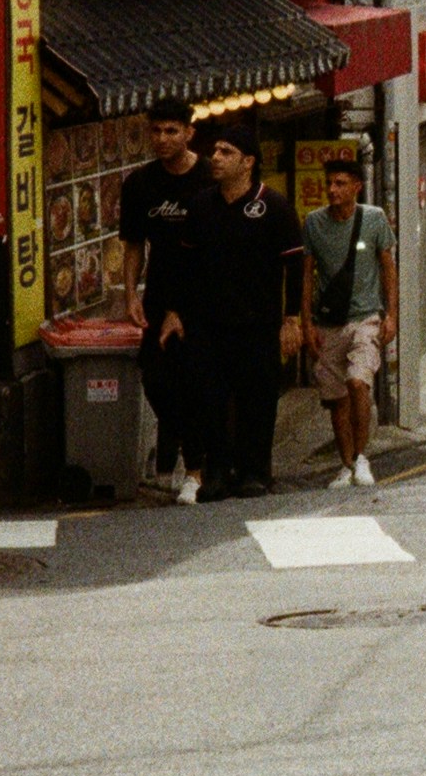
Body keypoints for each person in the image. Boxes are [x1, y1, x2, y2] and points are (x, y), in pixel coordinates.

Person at [176, 120, 305, 500]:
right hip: (209, 323)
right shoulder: (201, 205)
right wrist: (179, 311)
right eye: (214, 151)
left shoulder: (274, 206)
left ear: (248, 162)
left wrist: (291, 319)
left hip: (258, 323)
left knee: (257, 398)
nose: (215, 158)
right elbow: (185, 266)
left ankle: (255, 471)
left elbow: (294, 267)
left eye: (225, 152)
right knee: (211, 397)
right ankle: (216, 471)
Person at [118, 95, 210, 505]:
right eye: (156, 130)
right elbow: (133, 244)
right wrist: (130, 292)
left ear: (189, 133)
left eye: (171, 130)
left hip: (203, 293)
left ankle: (194, 470)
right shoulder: (140, 184)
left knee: (193, 381)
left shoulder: (209, 177)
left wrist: (183, 307)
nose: (162, 138)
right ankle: (180, 449)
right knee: (155, 379)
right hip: (157, 291)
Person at [301, 145, 397, 489]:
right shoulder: (314, 223)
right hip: (328, 322)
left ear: (357, 185)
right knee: (336, 398)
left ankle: (361, 457)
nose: (332, 190)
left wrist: (391, 315)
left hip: (365, 317)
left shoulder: (373, 219)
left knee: (358, 382)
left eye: (340, 183)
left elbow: (388, 267)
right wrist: (306, 322)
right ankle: (346, 463)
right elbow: (307, 274)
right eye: (329, 183)